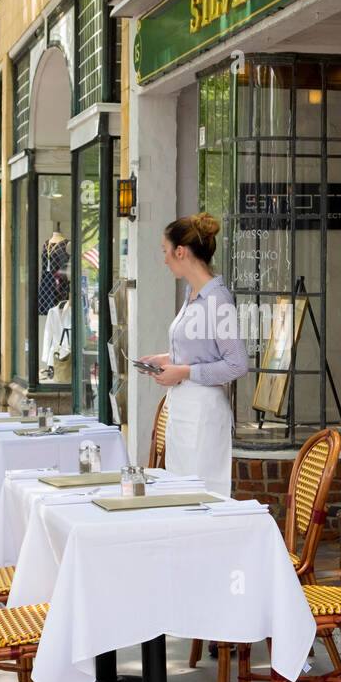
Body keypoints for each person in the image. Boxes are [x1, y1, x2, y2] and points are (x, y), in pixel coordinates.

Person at [136, 211, 247, 498]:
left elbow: (237, 364)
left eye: (166, 251)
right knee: (179, 495)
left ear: (181, 252)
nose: (164, 259)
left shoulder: (217, 299)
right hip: (184, 410)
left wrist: (183, 372)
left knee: (201, 498)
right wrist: (167, 361)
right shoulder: (192, 294)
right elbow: (201, 353)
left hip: (204, 415)